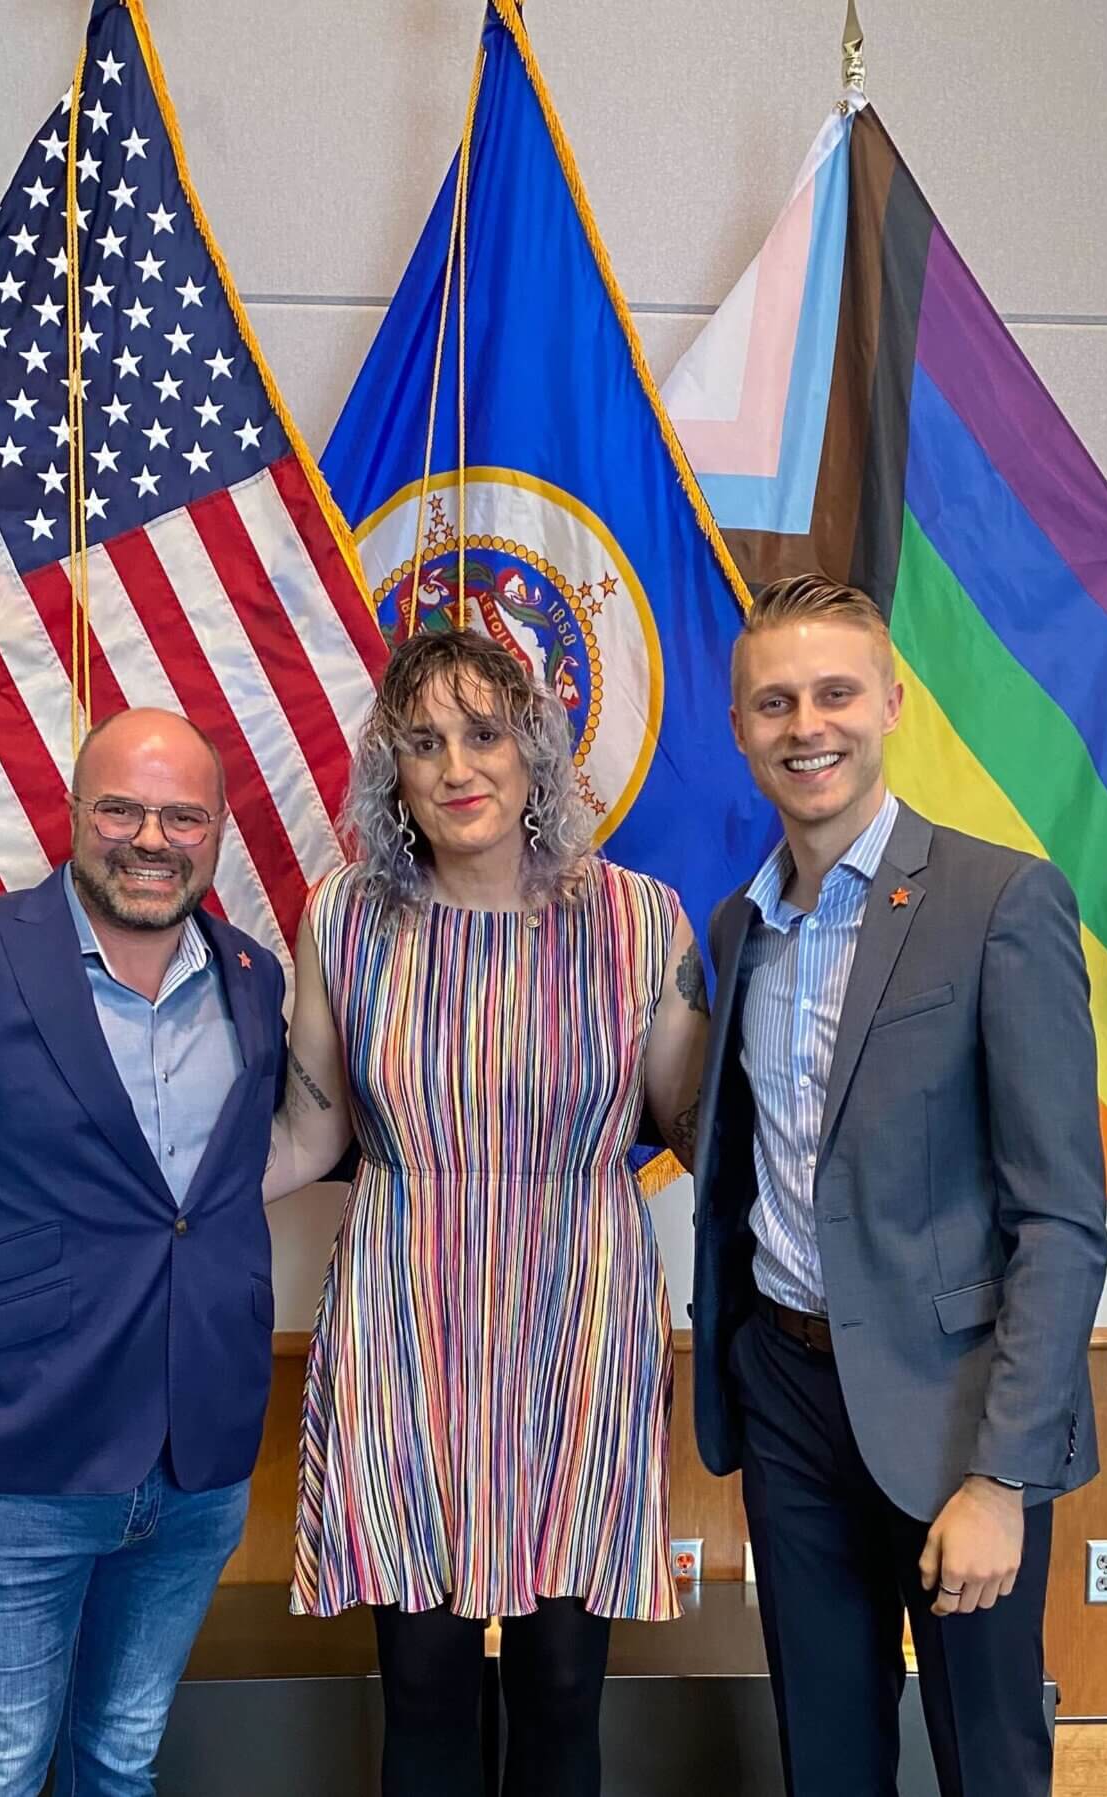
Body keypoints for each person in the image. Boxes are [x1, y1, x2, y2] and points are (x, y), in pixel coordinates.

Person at [265, 629, 708, 1797]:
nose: (457, 765)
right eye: (423, 742)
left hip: (582, 1313)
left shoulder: (637, 919)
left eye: (484, 733)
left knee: (564, 1679)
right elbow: (310, 1138)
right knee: (421, 1677)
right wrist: (121, 1195)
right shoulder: (345, 918)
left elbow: (695, 1121)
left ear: (536, 751)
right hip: (406, 1317)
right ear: (391, 771)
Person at [691, 574, 1107, 1797]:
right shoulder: (737, 929)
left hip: (957, 1412)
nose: (804, 724)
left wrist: (1002, 1477)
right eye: (774, 702)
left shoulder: (1002, 903)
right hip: (786, 1399)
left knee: (989, 1761)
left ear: (891, 703)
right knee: (826, 1758)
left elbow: (1060, 1224)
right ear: (739, 728)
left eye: (833, 693)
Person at [0, 708, 286, 1797]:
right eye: (122, 809)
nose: (151, 838)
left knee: (122, 1758)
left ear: (218, 830)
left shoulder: (254, 978)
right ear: (73, 815)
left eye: (183, 815)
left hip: (198, 1462)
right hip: (17, 1459)